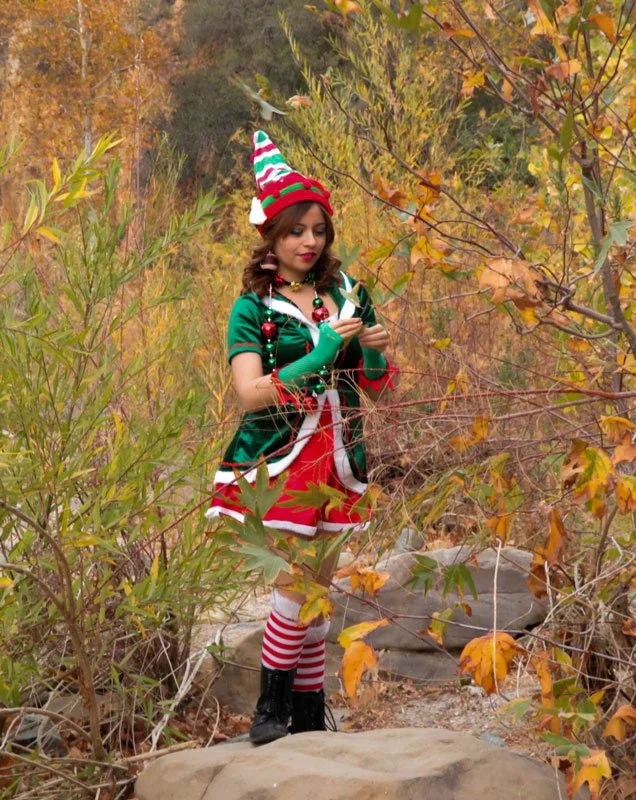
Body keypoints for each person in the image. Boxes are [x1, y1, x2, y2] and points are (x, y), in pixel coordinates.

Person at [206, 131, 397, 744]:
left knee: (319, 587)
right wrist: (319, 351)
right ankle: (269, 708)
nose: (309, 241)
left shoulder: (349, 292)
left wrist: (370, 354)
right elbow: (251, 392)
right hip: (283, 459)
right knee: (295, 585)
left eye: (318, 229)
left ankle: (309, 717)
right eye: (295, 231)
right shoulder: (252, 309)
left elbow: (379, 389)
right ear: (272, 236)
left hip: (342, 454)